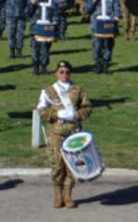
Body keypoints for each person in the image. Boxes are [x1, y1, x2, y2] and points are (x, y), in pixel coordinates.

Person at [36, 60, 93, 208]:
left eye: (67, 72)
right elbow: (41, 110)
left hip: (73, 132)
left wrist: (76, 114)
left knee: (73, 165)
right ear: (56, 73)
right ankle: (58, 195)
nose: (64, 74)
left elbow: (87, 108)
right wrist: (57, 113)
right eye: (61, 72)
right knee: (57, 164)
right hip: (55, 132)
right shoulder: (49, 91)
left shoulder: (78, 90)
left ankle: (68, 195)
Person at [85, 0, 121, 74]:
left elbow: (117, 7)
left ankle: (105, 64)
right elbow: (88, 10)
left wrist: (116, 16)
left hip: (109, 23)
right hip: (96, 23)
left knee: (109, 45)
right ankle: (98, 64)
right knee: (97, 45)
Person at [26, 0, 58, 75]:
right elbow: (28, 13)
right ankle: (36, 67)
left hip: (47, 29)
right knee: (35, 49)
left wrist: (55, 21)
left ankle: (44, 66)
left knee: (45, 49)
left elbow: (55, 12)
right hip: (35, 29)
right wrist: (32, 4)